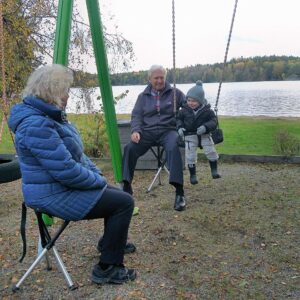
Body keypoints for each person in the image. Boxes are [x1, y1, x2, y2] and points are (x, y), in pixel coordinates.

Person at [8, 64, 136, 285]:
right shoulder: (36, 123)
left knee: (116, 194)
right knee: (124, 203)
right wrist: (97, 181)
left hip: (59, 185)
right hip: (51, 193)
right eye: (66, 90)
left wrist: (97, 176)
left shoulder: (50, 116)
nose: (68, 95)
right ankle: (107, 268)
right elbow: (66, 170)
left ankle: (110, 244)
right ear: (52, 91)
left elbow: (78, 156)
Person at [122, 65, 186, 211]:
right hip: (147, 132)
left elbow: (189, 105)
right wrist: (136, 131)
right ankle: (126, 187)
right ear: (149, 79)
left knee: (174, 145)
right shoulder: (142, 97)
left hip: (168, 131)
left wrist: (200, 106)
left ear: (165, 77)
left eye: (161, 77)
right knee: (129, 148)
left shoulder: (175, 93)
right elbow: (136, 116)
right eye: (156, 78)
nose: (159, 81)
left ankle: (179, 192)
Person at [177, 81, 221, 184]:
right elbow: (178, 119)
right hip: (190, 136)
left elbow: (213, 121)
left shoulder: (207, 110)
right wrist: (179, 128)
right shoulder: (184, 110)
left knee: (211, 151)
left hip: (204, 135)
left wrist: (206, 127)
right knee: (190, 156)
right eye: (189, 100)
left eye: (194, 101)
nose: (191, 103)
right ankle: (193, 175)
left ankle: (214, 170)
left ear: (200, 101)